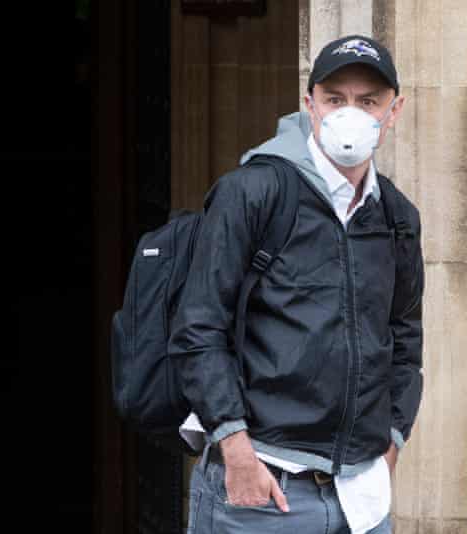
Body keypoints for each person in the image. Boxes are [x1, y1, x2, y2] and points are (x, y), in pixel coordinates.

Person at [168, 34, 424, 534]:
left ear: (393, 112)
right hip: (262, 493)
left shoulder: (396, 216)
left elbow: (404, 337)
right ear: (310, 105)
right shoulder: (254, 192)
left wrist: (391, 441)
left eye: (368, 101)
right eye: (335, 99)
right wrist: (236, 450)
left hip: (361, 499)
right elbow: (198, 327)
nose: (350, 114)